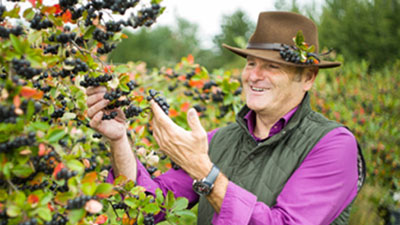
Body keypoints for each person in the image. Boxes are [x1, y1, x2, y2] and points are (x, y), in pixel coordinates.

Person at [86, 11, 366, 225]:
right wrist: (119, 139)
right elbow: (150, 204)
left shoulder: (332, 144)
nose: (254, 75)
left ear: (307, 77)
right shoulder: (221, 140)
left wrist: (206, 173)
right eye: (251, 63)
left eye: (272, 66)